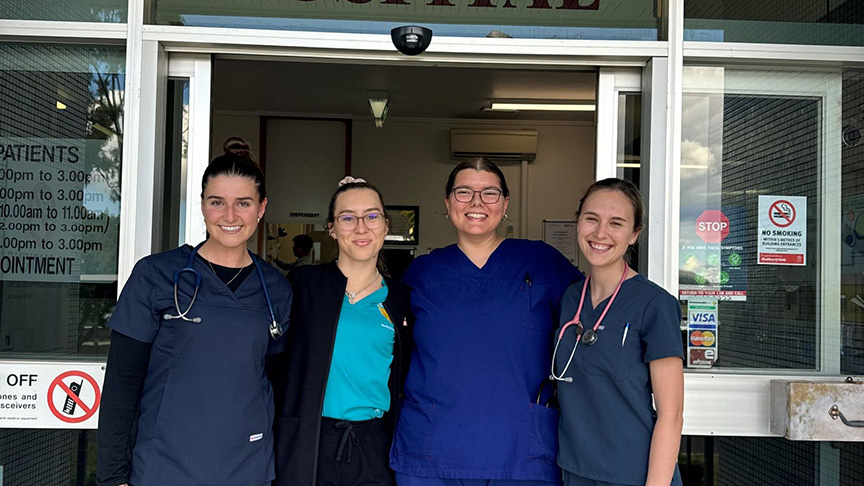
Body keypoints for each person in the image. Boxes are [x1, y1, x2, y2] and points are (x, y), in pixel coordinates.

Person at [96, 139, 292, 486]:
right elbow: (122, 384)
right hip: (163, 466)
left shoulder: (275, 289)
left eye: (243, 204)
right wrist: (112, 476)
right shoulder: (156, 275)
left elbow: (272, 383)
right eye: (217, 202)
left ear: (261, 209)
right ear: (202, 206)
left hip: (248, 467)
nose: (230, 216)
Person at [390, 158, 582, 486]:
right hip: (431, 452)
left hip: (521, 452)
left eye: (489, 193)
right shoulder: (422, 273)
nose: (477, 202)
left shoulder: (543, 261)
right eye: (463, 192)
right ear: (447, 202)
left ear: (505, 203)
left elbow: (595, 311)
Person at [271, 176, 412, 486]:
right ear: (332, 228)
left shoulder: (401, 298)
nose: (361, 227)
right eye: (348, 218)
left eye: (372, 216)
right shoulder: (303, 285)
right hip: (309, 439)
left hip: (374, 445)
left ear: (386, 225)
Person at [552, 178, 684, 486]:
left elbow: (672, 414)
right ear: (578, 222)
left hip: (635, 474)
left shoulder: (655, 304)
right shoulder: (570, 299)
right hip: (574, 470)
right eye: (591, 219)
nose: (600, 233)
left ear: (634, 234)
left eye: (616, 223)